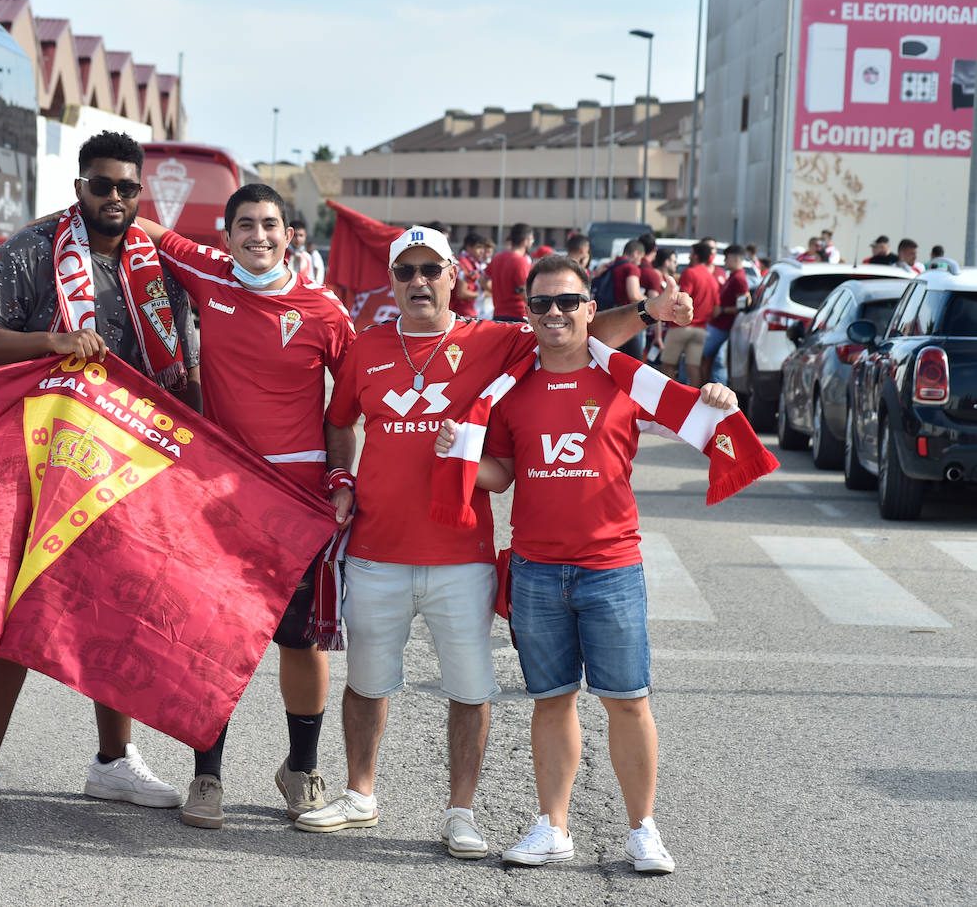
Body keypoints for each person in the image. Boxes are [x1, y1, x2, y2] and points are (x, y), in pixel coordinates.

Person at [299, 226, 692, 859]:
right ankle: (360, 794)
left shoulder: (496, 340)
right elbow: (338, 419)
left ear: (455, 277)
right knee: (367, 681)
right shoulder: (365, 346)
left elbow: (579, 333)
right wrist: (341, 477)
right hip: (376, 546)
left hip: (463, 553)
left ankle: (463, 813)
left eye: (432, 269)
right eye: (406, 271)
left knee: (471, 689)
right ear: (392, 281)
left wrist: (647, 312)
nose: (419, 281)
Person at [431, 253, 736, 876]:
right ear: (527, 313)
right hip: (538, 570)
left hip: (612, 568)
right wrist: (458, 456)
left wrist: (716, 395)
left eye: (568, 302)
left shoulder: (629, 381)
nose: (555, 314)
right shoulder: (511, 391)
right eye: (541, 304)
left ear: (589, 310)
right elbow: (503, 474)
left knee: (627, 701)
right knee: (552, 700)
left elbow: (692, 416)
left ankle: (643, 830)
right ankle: (553, 828)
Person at [0, 131, 197, 823]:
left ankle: (112, 764)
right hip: (39, 463)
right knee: (16, 614)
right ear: (79, 187)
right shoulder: (34, 250)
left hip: (129, 467)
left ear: (137, 193)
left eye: (126, 188)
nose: (113, 198)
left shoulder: (160, 264)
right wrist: (52, 341)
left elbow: (185, 369)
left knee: (118, 612)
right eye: (101, 185)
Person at [134, 183, 356, 830]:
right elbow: (141, 229)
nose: (259, 236)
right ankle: (206, 778)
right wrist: (60, 222)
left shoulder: (323, 311)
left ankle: (302, 769)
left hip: (298, 504)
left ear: (290, 234)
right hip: (223, 499)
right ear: (225, 237)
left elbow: (348, 403)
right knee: (212, 639)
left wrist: (343, 474)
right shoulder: (207, 273)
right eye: (246, 227)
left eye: (270, 225)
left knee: (299, 642)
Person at [660, 241, 716, 387]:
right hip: (701, 329)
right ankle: (694, 402)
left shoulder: (690, 273)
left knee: (668, 365)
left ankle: (667, 399)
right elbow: (716, 308)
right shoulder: (712, 278)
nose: (690, 257)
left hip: (681, 326)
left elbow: (683, 297)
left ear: (696, 256)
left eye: (691, 254)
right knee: (693, 367)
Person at [701, 244, 748, 385]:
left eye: (727, 258)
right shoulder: (733, 276)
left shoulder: (739, 278)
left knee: (706, 357)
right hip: (718, 325)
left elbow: (743, 305)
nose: (724, 261)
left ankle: (711, 391)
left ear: (736, 259)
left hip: (723, 326)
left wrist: (722, 310)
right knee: (706, 358)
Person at [488, 223, 534, 322]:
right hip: (517, 315)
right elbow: (524, 291)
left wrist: (497, 292)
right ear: (525, 242)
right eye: (532, 240)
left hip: (498, 314)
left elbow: (482, 279)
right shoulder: (520, 261)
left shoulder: (497, 257)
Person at [450, 233, 485, 317]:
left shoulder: (472, 263)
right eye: (479, 247)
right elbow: (461, 293)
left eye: (483, 247)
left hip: (469, 311)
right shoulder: (463, 265)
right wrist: (481, 294)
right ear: (469, 247)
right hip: (463, 313)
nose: (482, 251)